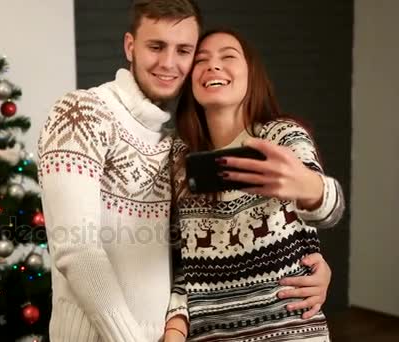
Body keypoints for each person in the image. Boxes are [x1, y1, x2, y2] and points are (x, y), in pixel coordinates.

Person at [37, 1, 335, 341]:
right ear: (130, 47)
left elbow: (181, 259)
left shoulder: (172, 149)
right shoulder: (82, 112)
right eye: (156, 46)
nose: (168, 63)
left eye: (183, 50)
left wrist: (315, 258)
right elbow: (76, 249)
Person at [164, 28, 345, 341]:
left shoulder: (281, 137)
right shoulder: (178, 160)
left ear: (252, 74)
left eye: (228, 56)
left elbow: (329, 211)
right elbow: (182, 268)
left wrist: (308, 186)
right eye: (201, 60)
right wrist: (174, 330)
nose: (213, 65)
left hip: (291, 330)